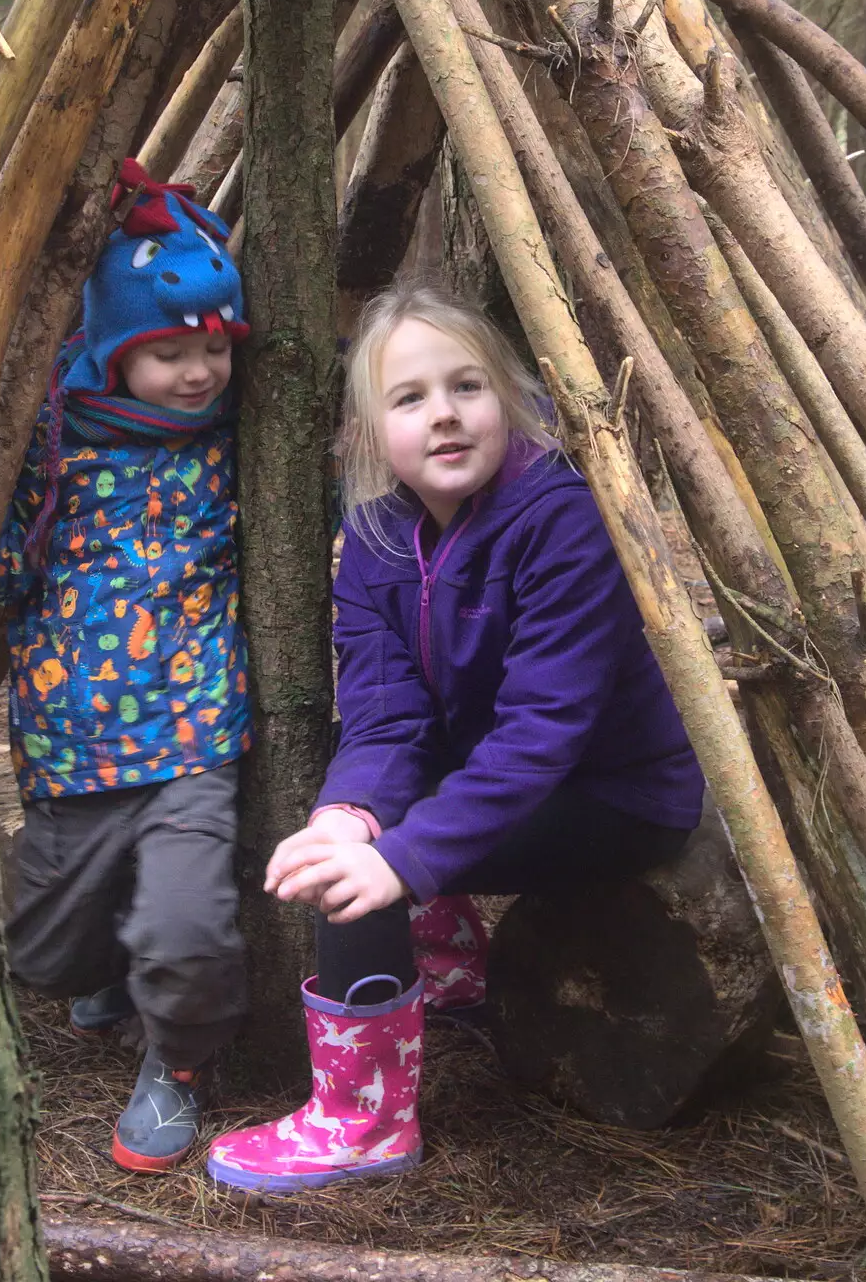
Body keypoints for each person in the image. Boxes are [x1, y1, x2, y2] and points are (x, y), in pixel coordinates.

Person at [206, 282, 704, 1195]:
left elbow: (542, 732)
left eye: (466, 387)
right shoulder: (375, 535)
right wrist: (348, 816)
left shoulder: (563, 519)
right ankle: (441, 970)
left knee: (368, 889)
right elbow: (389, 714)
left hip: (615, 793)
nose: (443, 415)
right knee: (352, 843)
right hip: (492, 767)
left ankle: (363, 1122)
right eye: (409, 398)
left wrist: (400, 862)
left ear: (506, 400)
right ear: (368, 434)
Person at [0, 159, 252, 1174]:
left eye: (213, 348)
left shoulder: (231, 443)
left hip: (193, 735)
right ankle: (102, 962)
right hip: (71, 742)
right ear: (109, 348)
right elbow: (5, 567)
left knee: (186, 930)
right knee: (41, 955)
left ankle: (179, 1064)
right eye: (168, 351)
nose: (199, 373)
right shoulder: (57, 442)